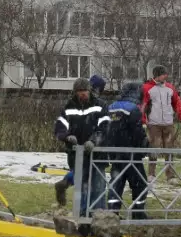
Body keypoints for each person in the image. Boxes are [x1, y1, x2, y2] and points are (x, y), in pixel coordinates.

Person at [53, 78, 110, 216]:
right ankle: (84, 216)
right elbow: (60, 127)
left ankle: (97, 216)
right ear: (75, 92)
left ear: (89, 90)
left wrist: (94, 141)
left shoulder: (100, 105)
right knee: (82, 187)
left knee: (98, 186)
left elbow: (105, 127)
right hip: (76, 155)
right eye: (79, 91)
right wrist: (66, 136)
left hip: (97, 155)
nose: (82, 94)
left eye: (84, 91)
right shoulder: (68, 107)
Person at [104, 82, 150, 219]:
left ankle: (113, 211)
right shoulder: (133, 109)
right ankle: (138, 211)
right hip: (130, 153)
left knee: (117, 182)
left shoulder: (111, 107)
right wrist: (143, 146)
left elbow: (107, 128)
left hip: (115, 152)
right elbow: (137, 132)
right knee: (140, 183)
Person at [141, 65, 181, 183]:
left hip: (168, 123)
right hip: (154, 123)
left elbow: (177, 104)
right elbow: (142, 105)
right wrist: (143, 120)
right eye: (163, 74)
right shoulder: (146, 88)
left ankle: (170, 175)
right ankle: (151, 174)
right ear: (157, 75)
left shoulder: (170, 88)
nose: (166, 76)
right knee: (154, 148)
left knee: (169, 149)